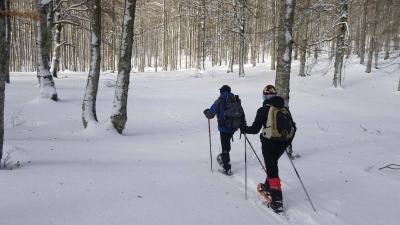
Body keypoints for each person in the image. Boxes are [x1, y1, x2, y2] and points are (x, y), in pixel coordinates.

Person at [242, 84, 296, 213]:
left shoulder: (263, 109)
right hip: (283, 144)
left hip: (269, 144)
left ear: (264, 96)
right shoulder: (284, 108)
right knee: (272, 164)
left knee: (272, 171)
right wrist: (287, 141)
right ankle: (267, 187)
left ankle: (277, 202)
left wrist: (243, 129)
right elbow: (294, 127)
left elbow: (255, 130)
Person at [203, 85, 245, 175]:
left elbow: (210, 115)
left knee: (225, 146)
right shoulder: (235, 100)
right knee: (226, 143)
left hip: (224, 128)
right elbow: (241, 113)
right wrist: (243, 126)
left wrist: (206, 112)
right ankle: (224, 157)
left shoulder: (219, 101)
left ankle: (226, 167)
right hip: (234, 127)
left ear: (221, 92)